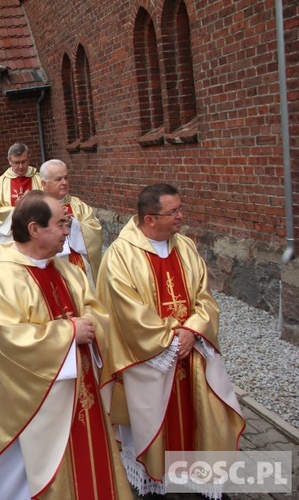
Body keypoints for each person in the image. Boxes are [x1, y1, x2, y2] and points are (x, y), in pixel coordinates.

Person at [0, 190, 132, 499]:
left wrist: (90, 324)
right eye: (62, 224)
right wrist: (68, 333)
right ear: (35, 229)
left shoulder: (66, 268)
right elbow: (8, 340)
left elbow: (96, 310)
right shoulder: (3, 278)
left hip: (81, 395)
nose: (68, 231)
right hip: (32, 407)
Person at [97, 183, 244, 499]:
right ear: (150, 219)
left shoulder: (186, 247)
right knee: (153, 420)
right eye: (173, 211)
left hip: (191, 353)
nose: (181, 216)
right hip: (149, 359)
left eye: (180, 208)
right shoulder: (121, 256)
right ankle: (154, 480)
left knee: (199, 417)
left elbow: (205, 297)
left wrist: (193, 330)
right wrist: (170, 340)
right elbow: (126, 312)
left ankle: (201, 478)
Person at [40, 159, 103, 287]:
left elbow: (95, 231)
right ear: (44, 184)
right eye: (58, 179)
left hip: (77, 264)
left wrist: (73, 224)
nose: (64, 183)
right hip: (49, 263)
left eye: (66, 178)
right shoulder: (36, 206)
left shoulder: (77, 205)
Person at [0, 142, 42, 254]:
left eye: (24, 161)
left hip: (37, 236)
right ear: (9, 160)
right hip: (9, 237)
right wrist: (16, 210)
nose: (20, 166)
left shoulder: (40, 180)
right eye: (16, 162)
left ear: (29, 157)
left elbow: (49, 204)